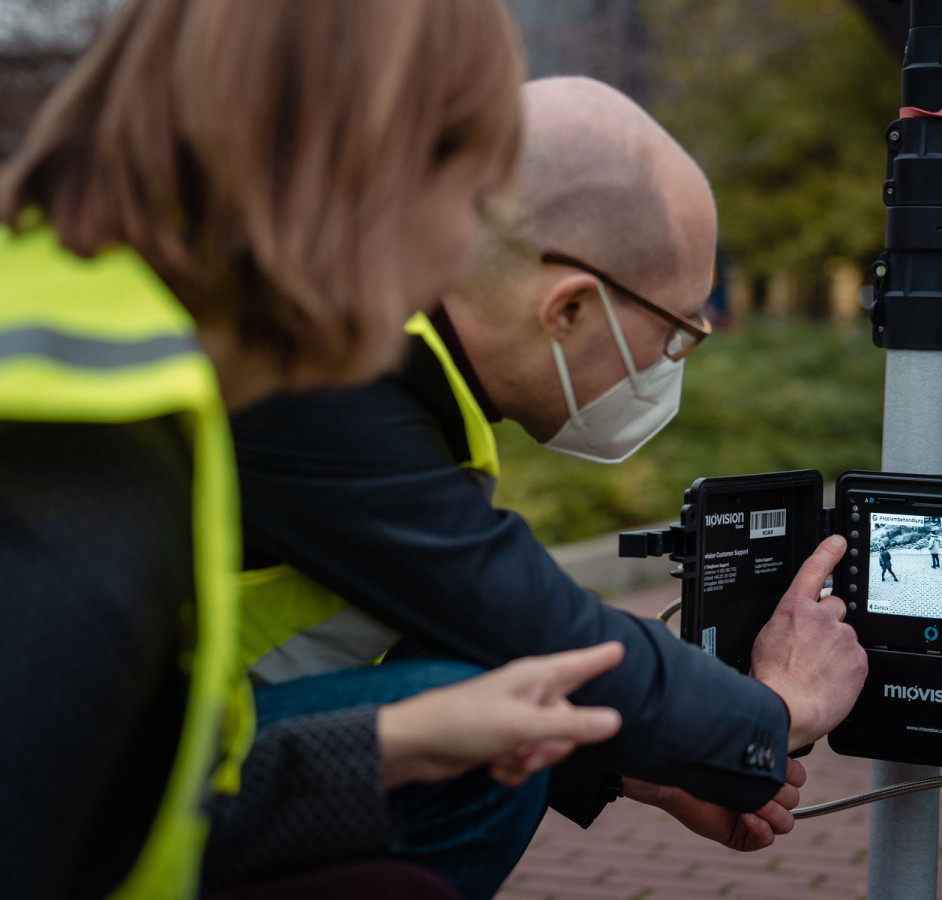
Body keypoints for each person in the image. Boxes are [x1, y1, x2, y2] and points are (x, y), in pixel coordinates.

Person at [0, 3, 624, 899]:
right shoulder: (79, 478)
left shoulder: (121, 374)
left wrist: (394, 742)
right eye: (476, 200)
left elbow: (121, 796)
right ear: (369, 176)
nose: (462, 259)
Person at [224, 76, 867, 896]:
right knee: (473, 729)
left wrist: (634, 768)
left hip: (161, 740)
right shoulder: (321, 377)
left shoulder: (373, 343)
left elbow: (472, 631)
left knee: (476, 690)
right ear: (568, 310)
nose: (675, 365)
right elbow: (533, 623)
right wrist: (783, 716)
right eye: (676, 332)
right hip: (85, 783)